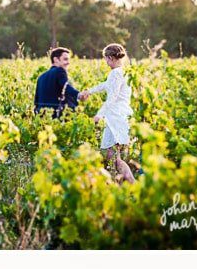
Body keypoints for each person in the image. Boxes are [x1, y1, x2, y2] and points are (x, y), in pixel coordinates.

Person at [79, 43, 136, 184]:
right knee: (113, 156)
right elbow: (105, 85)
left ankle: (133, 185)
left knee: (114, 157)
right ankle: (124, 186)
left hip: (116, 117)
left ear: (110, 57)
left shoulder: (115, 73)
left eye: (105, 59)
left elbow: (112, 99)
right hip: (120, 115)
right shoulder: (122, 71)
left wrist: (99, 114)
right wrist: (89, 92)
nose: (105, 62)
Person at [34, 47, 80, 117]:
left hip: (42, 118)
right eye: (65, 59)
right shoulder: (60, 71)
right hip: (56, 116)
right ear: (56, 60)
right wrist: (79, 94)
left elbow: (36, 102)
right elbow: (66, 87)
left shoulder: (41, 77)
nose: (68, 62)